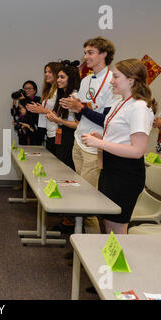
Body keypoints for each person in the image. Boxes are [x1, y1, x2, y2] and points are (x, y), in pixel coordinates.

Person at [81, 58, 156, 234]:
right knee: (108, 225)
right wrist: (102, 138)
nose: (111, 81)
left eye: (116, 77)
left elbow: (137, 151)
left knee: (116, 228)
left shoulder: (139, 107)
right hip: (111, 169)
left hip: (125, 174)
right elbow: (121, 138)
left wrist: (101, 142)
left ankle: (118, 261)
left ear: (131, 80)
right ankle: (105, 261)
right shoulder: (120, 102)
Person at [60, 36, 116, 234]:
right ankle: (80, 244)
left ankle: (92, 250)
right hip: (79, 141)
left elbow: (107, 121)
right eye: (85, 52)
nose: (85, 57)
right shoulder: (85, 80)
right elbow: (82, 113)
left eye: (90, 53)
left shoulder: (113, 81)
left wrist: (81, 108)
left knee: (88, 199)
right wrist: (73, 107)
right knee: (79, 195)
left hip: (95, 147)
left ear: (104, 54)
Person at [46, 62, 81, 170]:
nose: (58, 80)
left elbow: (77, 125)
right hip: (62, 134)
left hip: (70, 137)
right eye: (58, 77)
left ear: (71, 79)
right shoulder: (64, 95)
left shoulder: (74, 97)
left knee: (67, 169)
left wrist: (58, 119)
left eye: (62, 77)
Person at [26, 62, 61, 154]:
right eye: (45, 72)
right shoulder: (49, 90)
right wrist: (39, 108)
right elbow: (48, 109)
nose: (46, 74)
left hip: (57, 132)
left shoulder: (60, 91)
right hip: (49, 132)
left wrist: (42, 110)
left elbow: (61, 113)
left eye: (49, 72)